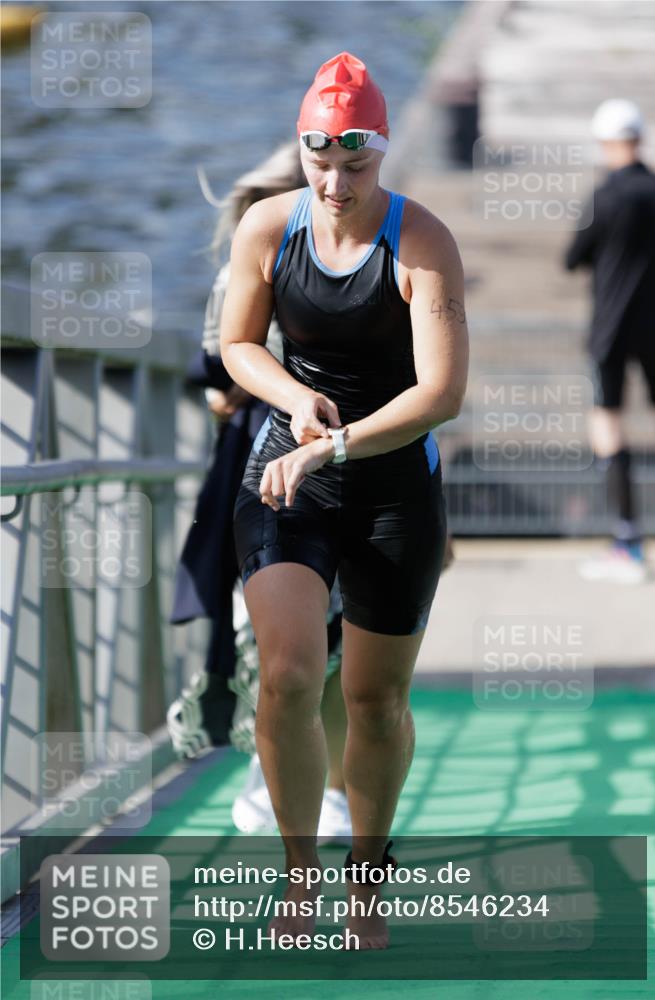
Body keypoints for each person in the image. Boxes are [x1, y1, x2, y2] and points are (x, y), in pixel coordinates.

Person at [220, 52, 468, 949]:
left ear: (382, 152)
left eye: (354, 165)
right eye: (318, 161)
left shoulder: (421, 240)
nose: (334, 184)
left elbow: (439, 395)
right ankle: (300, 874)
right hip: (288, 473)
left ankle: (366, 873)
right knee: (288, 673)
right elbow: (238, 345)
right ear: (301, 149)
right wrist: (295, 403)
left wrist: (339, 442)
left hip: (392, 484)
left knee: (373, 701)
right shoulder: (266, 226)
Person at [166, 146, 352, 844]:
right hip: (264, 464)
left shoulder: (346, 259)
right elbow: (220, 368)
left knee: (326, 639)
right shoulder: (254, 263)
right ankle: (276, 781)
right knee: (283, 641)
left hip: (333, 458)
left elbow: (216, 379)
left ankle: (315, 789)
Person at [564, 99, 655, 583]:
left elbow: (573, 257)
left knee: (607, 424)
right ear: (639, 138)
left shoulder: (604, 197)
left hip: (609, 328)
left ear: (606, 143)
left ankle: (628, 541)